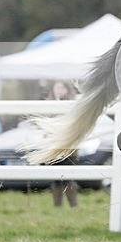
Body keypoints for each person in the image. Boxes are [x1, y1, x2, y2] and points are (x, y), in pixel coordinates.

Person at [48, 80, 79, 208]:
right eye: (57, 87)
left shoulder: (73, 105)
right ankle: (57, 207)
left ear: (67, 90)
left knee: (68, 179)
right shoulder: (48, 105)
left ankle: (73, 206)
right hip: (54, 148)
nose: (59, 91)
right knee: (56, 179)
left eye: (62, 88)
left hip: (69, 149)